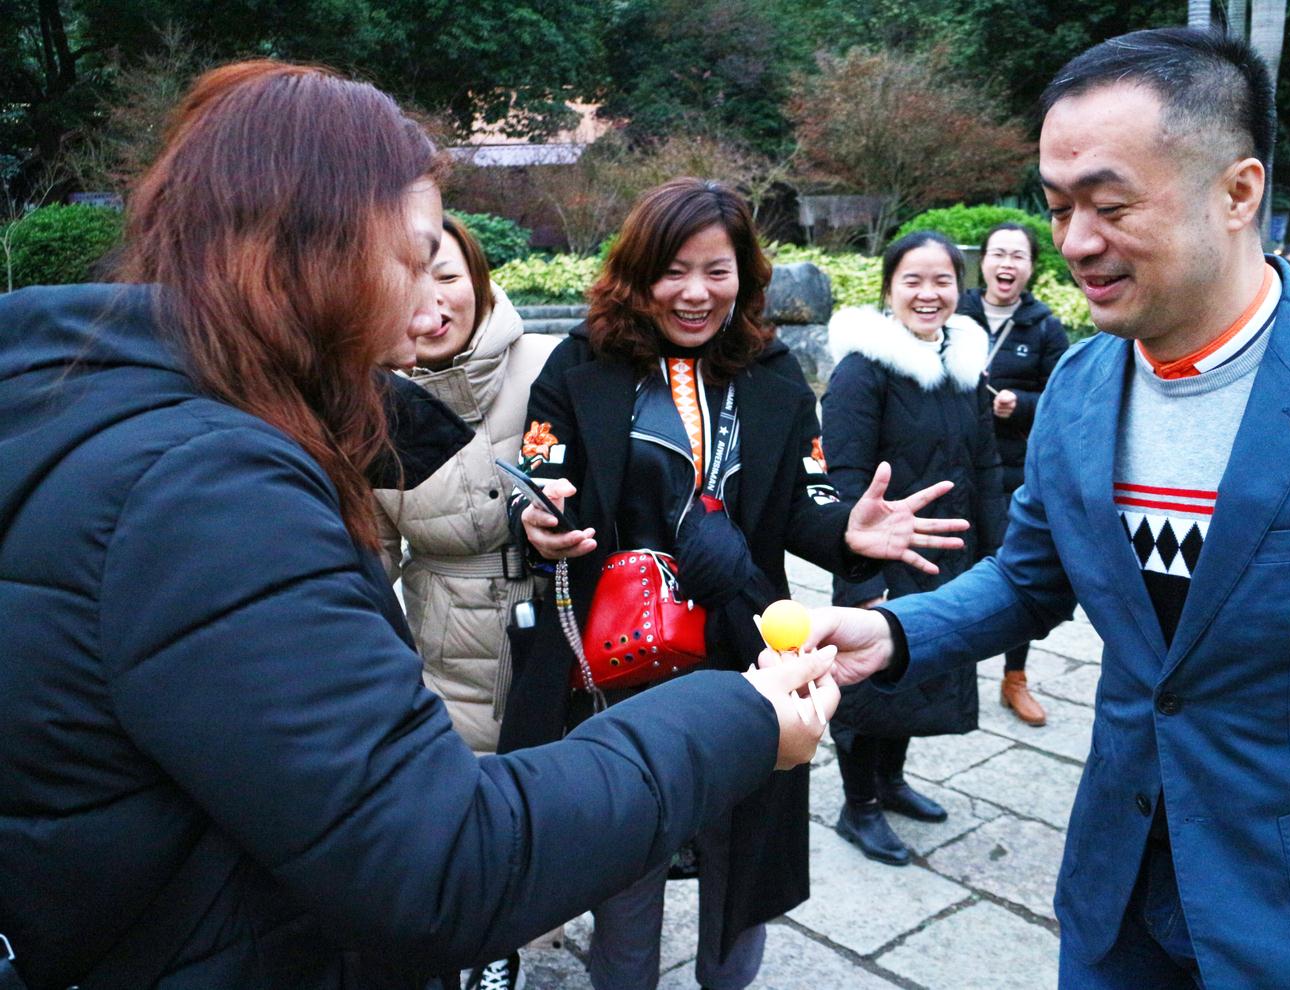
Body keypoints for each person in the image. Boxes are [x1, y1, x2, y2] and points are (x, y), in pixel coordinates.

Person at [0, 62, 842, 990]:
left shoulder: (97, 411)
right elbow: (442, 866)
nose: (433, 307)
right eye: (412, 259)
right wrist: (741, 716)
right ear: (313, 249)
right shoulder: (205, 488)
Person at [811, 28, 1290, 989]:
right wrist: (895, 633)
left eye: (1109, 206)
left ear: (1238, 192)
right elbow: (1031, 576)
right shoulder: (1081, 386)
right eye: (1058, 207)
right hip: (1115, 902)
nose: (1074, 243)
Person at [499, 177, 966, 990]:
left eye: (716, 271)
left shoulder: (772, 373)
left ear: (744, 275)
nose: (694, 293)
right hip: (616, 662)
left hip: (748, 650)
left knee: (743, 857)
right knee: (625, 863)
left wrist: (847, 531)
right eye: (672, 270)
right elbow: (541, 479)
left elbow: (806, 501)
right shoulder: (580, 366)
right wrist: (538, 520)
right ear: (636, 273)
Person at [819, 230, 1005, 866]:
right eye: (913, 281)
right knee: (867, 681)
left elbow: (985, 464)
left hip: (948, 553)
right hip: (881, 556)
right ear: (888, 289)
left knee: (919, 669)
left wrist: (999, 555)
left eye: (942, 281)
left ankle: (890, 782)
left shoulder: (963, 366)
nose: (929, 294)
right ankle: (859, 805)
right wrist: (862, 575)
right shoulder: (862, 371)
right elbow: (843, 478)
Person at [375, 215, 558, 756]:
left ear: (478, 279)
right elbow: (370, 557)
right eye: (407, 278)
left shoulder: (553, 365)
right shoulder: (370, 403)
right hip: (444, 669)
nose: (430, 300)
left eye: (448, 277)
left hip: (566, 641)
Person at [957, 221, 1071, 726]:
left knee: (1018, 570)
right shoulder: (954, 313)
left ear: (1031, 267)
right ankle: (947, 667)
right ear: (982, 261)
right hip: (953, 462)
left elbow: (1065, 400)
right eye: (998, 253)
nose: (1007, 264)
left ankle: (1014, 677)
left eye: (1018, 256)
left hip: (1012, 469)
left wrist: (1020, 404)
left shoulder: (1044, 327)